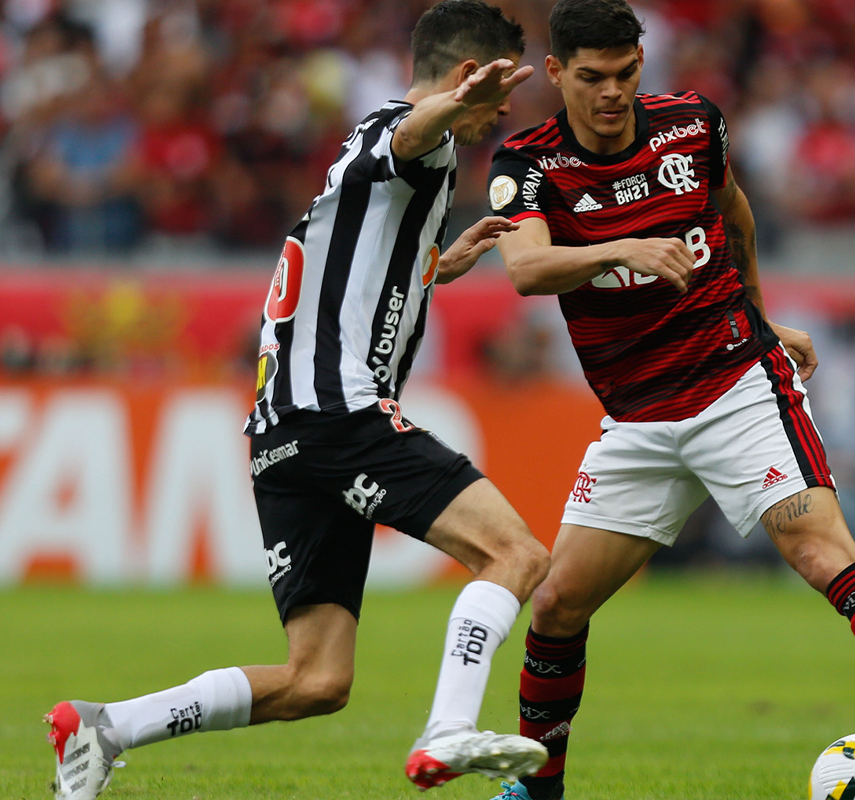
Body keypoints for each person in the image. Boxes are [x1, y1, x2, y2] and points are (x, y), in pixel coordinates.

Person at [481, 2, 855, 799]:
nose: (612, 92)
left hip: (734, 384)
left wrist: (757, 316)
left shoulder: (692, 126)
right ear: (556, 74)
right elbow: (525, 270)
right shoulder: (528, 163)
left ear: (642, 62)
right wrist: (623, 246)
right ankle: (539, 788)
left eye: (626, 72)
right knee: (555, 604)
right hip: (639, 419)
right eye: (591, 77)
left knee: (819, 548)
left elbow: (736, 213)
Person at [45, 4, 551, 799]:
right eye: (495, 92)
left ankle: (108, 726)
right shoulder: (408, 131)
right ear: (465, 77)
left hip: (282, 437)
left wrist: (430, 264)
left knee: (316, 678)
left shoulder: (378, 166)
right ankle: (449, 726)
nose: (502, 110)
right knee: (515, 554)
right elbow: (414, 133)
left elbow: (349, 256)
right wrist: (451, 108)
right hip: (334, 414)